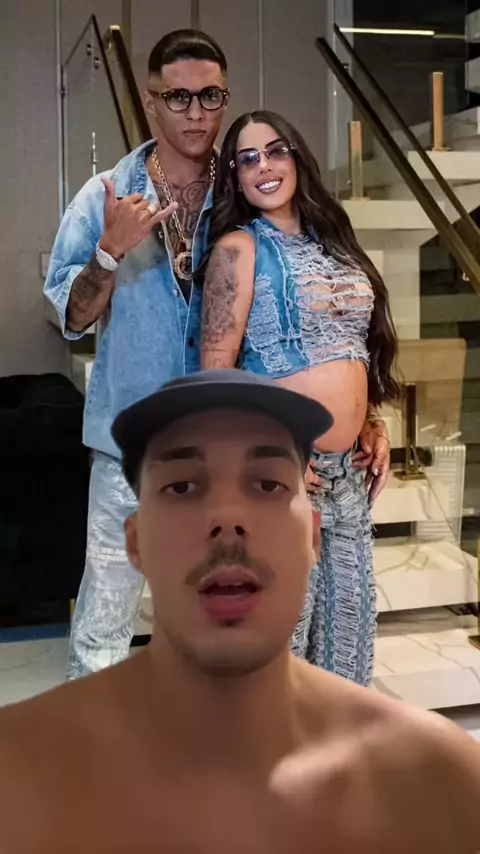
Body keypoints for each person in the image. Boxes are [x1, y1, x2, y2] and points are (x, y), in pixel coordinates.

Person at [0, 370, 479, 854]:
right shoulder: (19, 778)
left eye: (267, 484)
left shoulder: (437, 783)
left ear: (313, 536)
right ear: (135, 539)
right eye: (183, 487)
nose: (228, 518)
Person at [44, 29, 230, 680]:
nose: (195, 113)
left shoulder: (244, 194)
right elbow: (71, 317)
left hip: (221, 445)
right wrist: (108, 252)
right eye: (178, 98)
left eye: (210, 96)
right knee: (104, 625)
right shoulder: (105, 194)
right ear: (152, 102)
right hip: (129, 446)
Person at [199, 111, 399, 685]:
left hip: (348, 476)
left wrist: (370, 420)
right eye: (247, 159)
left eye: (275, 151)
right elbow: (214, 375)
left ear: (297, 158)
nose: (263, 166)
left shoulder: (337, 245)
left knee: (347, 651)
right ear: (235, 179)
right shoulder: (238, 250)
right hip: (281, 481)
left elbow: (355, 344)